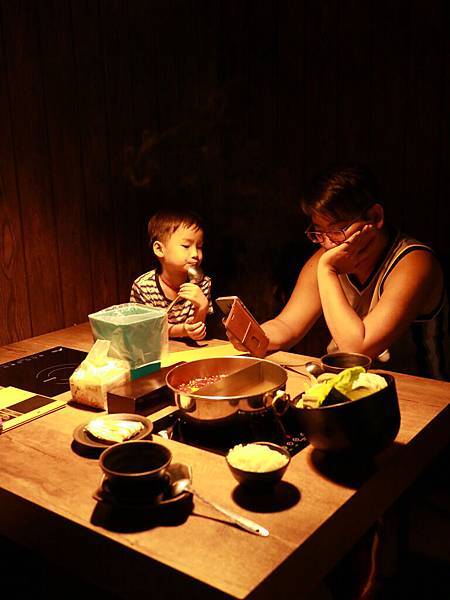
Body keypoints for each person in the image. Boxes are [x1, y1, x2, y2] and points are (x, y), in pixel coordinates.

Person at [257, 164, 448, 380]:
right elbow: (287, 325)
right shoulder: (328, 256)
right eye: (318, 231)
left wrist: (327, 271)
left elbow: (357, 350)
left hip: (420, 393)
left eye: (337, 230)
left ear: (375, 217)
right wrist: (253, 337)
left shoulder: (414, 261)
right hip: (351, 388)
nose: (328, 243)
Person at [130, 209, 213, 340]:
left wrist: (202, 307)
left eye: (199, 246)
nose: (195, 254)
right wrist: (182, 330)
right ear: (159, 249)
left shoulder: (202, 283)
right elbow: (148, 331)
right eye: (186, 246)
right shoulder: (144, 287)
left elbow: (197, 334)